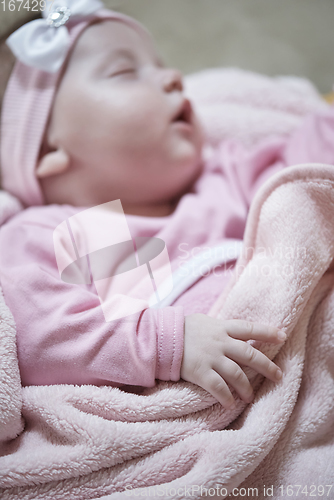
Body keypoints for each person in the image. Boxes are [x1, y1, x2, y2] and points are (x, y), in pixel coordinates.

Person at [0, 1, 333, 410]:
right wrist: (166, 344)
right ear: (48, 147)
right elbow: (39, 335)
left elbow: (309, 183)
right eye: (124, 71)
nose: (174, 77)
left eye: (161, 63)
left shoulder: (221, 178)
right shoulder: (51, 231)